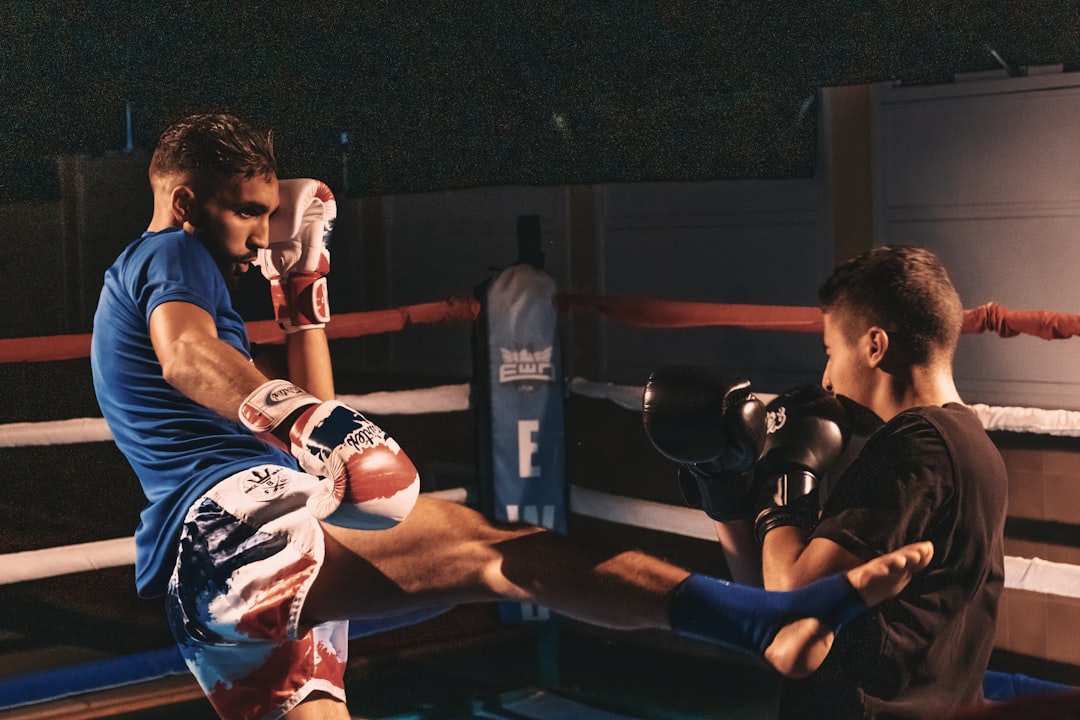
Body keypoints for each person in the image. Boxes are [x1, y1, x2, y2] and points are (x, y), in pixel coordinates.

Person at [91, 113, 935, 720]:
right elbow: (189, 359)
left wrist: (302, 307)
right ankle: (763, 619)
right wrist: (301, 420)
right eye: (245, 210)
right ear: (186, 200)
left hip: (211, 582)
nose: (256, 233)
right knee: (504, 554)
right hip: (233, 534)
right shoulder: (172, 256)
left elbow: (304, 413)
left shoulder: (171, 278)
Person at [644, 246, 1007, 719]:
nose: (827, 378)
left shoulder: (919, 445)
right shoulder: (974, 446)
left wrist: (785, 476)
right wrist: (725, 492)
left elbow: (794, 600)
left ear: (875, 346)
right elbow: (769, 603)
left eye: (831, 352)